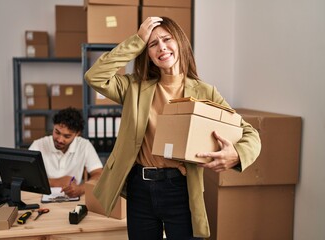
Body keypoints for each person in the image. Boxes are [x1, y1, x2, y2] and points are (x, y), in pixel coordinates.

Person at [84, 17, 261, 240]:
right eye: (152, 44)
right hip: (140, 186)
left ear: (180, 42)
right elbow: (95, 76)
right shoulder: (134, 88)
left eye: (167, 39)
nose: (162, 48)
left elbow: (250, 133)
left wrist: (236, 155)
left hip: (181, 188)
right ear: (146, 52)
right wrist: (137, 40)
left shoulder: (205, 92)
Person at [29, 107, 103, 198]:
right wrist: (58, 182)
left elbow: (98, 174)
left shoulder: (84, 146)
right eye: (57, 132)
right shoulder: (38, 145)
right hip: (41, 197)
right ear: (53, 126)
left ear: (77, 134)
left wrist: (81, 189)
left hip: (72, 198)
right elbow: (27, 178)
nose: (60, 140)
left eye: (67, 136)